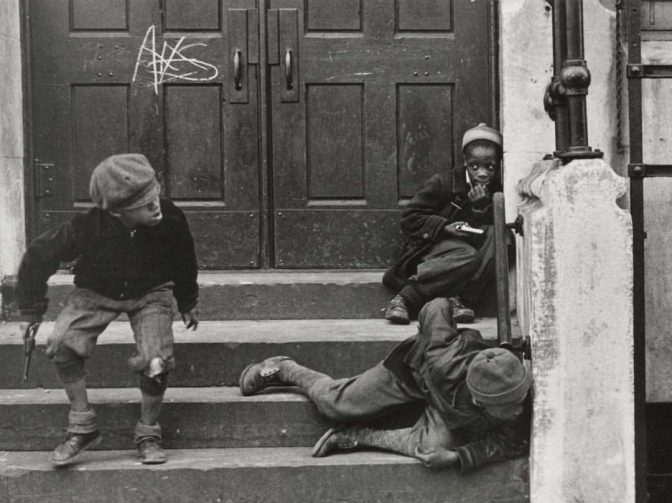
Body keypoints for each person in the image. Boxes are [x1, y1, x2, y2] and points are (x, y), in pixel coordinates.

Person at [16, 153, 199, 466]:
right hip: (97, 291)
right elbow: (37, 255)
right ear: (117, 212)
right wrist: (32, 311)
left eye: (155, 195)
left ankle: (148, 432)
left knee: (156, 360)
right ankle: (82, 426)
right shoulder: (88, 227)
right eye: (145, 204)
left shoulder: (170, 216)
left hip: (150, 291)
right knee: (62, 344)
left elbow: (185, 257)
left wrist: (187, 300)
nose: (156, 206)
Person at [239, 297, 530, 472]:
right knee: (334, 404)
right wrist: (431, 338)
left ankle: (358, 437)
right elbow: (436, 306)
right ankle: (284, 368)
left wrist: (458, 457)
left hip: (443, 409)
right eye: (510, 406)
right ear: (480, 401)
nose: (520, 409)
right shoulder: (444, 360)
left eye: (520, 398)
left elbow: (511, 442)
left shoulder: (515, 393)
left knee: (431, 451)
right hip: (411, 375)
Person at [383, 123, 506, 325]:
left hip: (464, 254)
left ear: (498, 165)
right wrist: (444, 227)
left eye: (489, 167)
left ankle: (460, 299)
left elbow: (485, 234)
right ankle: (405, 298)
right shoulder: (443, 183)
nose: (482, 173)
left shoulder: (496, 190)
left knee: (499, 234)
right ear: (465, 162)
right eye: (475, 166)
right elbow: (410, 217)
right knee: (467, 255)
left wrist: (480, 209)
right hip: (433, 250)